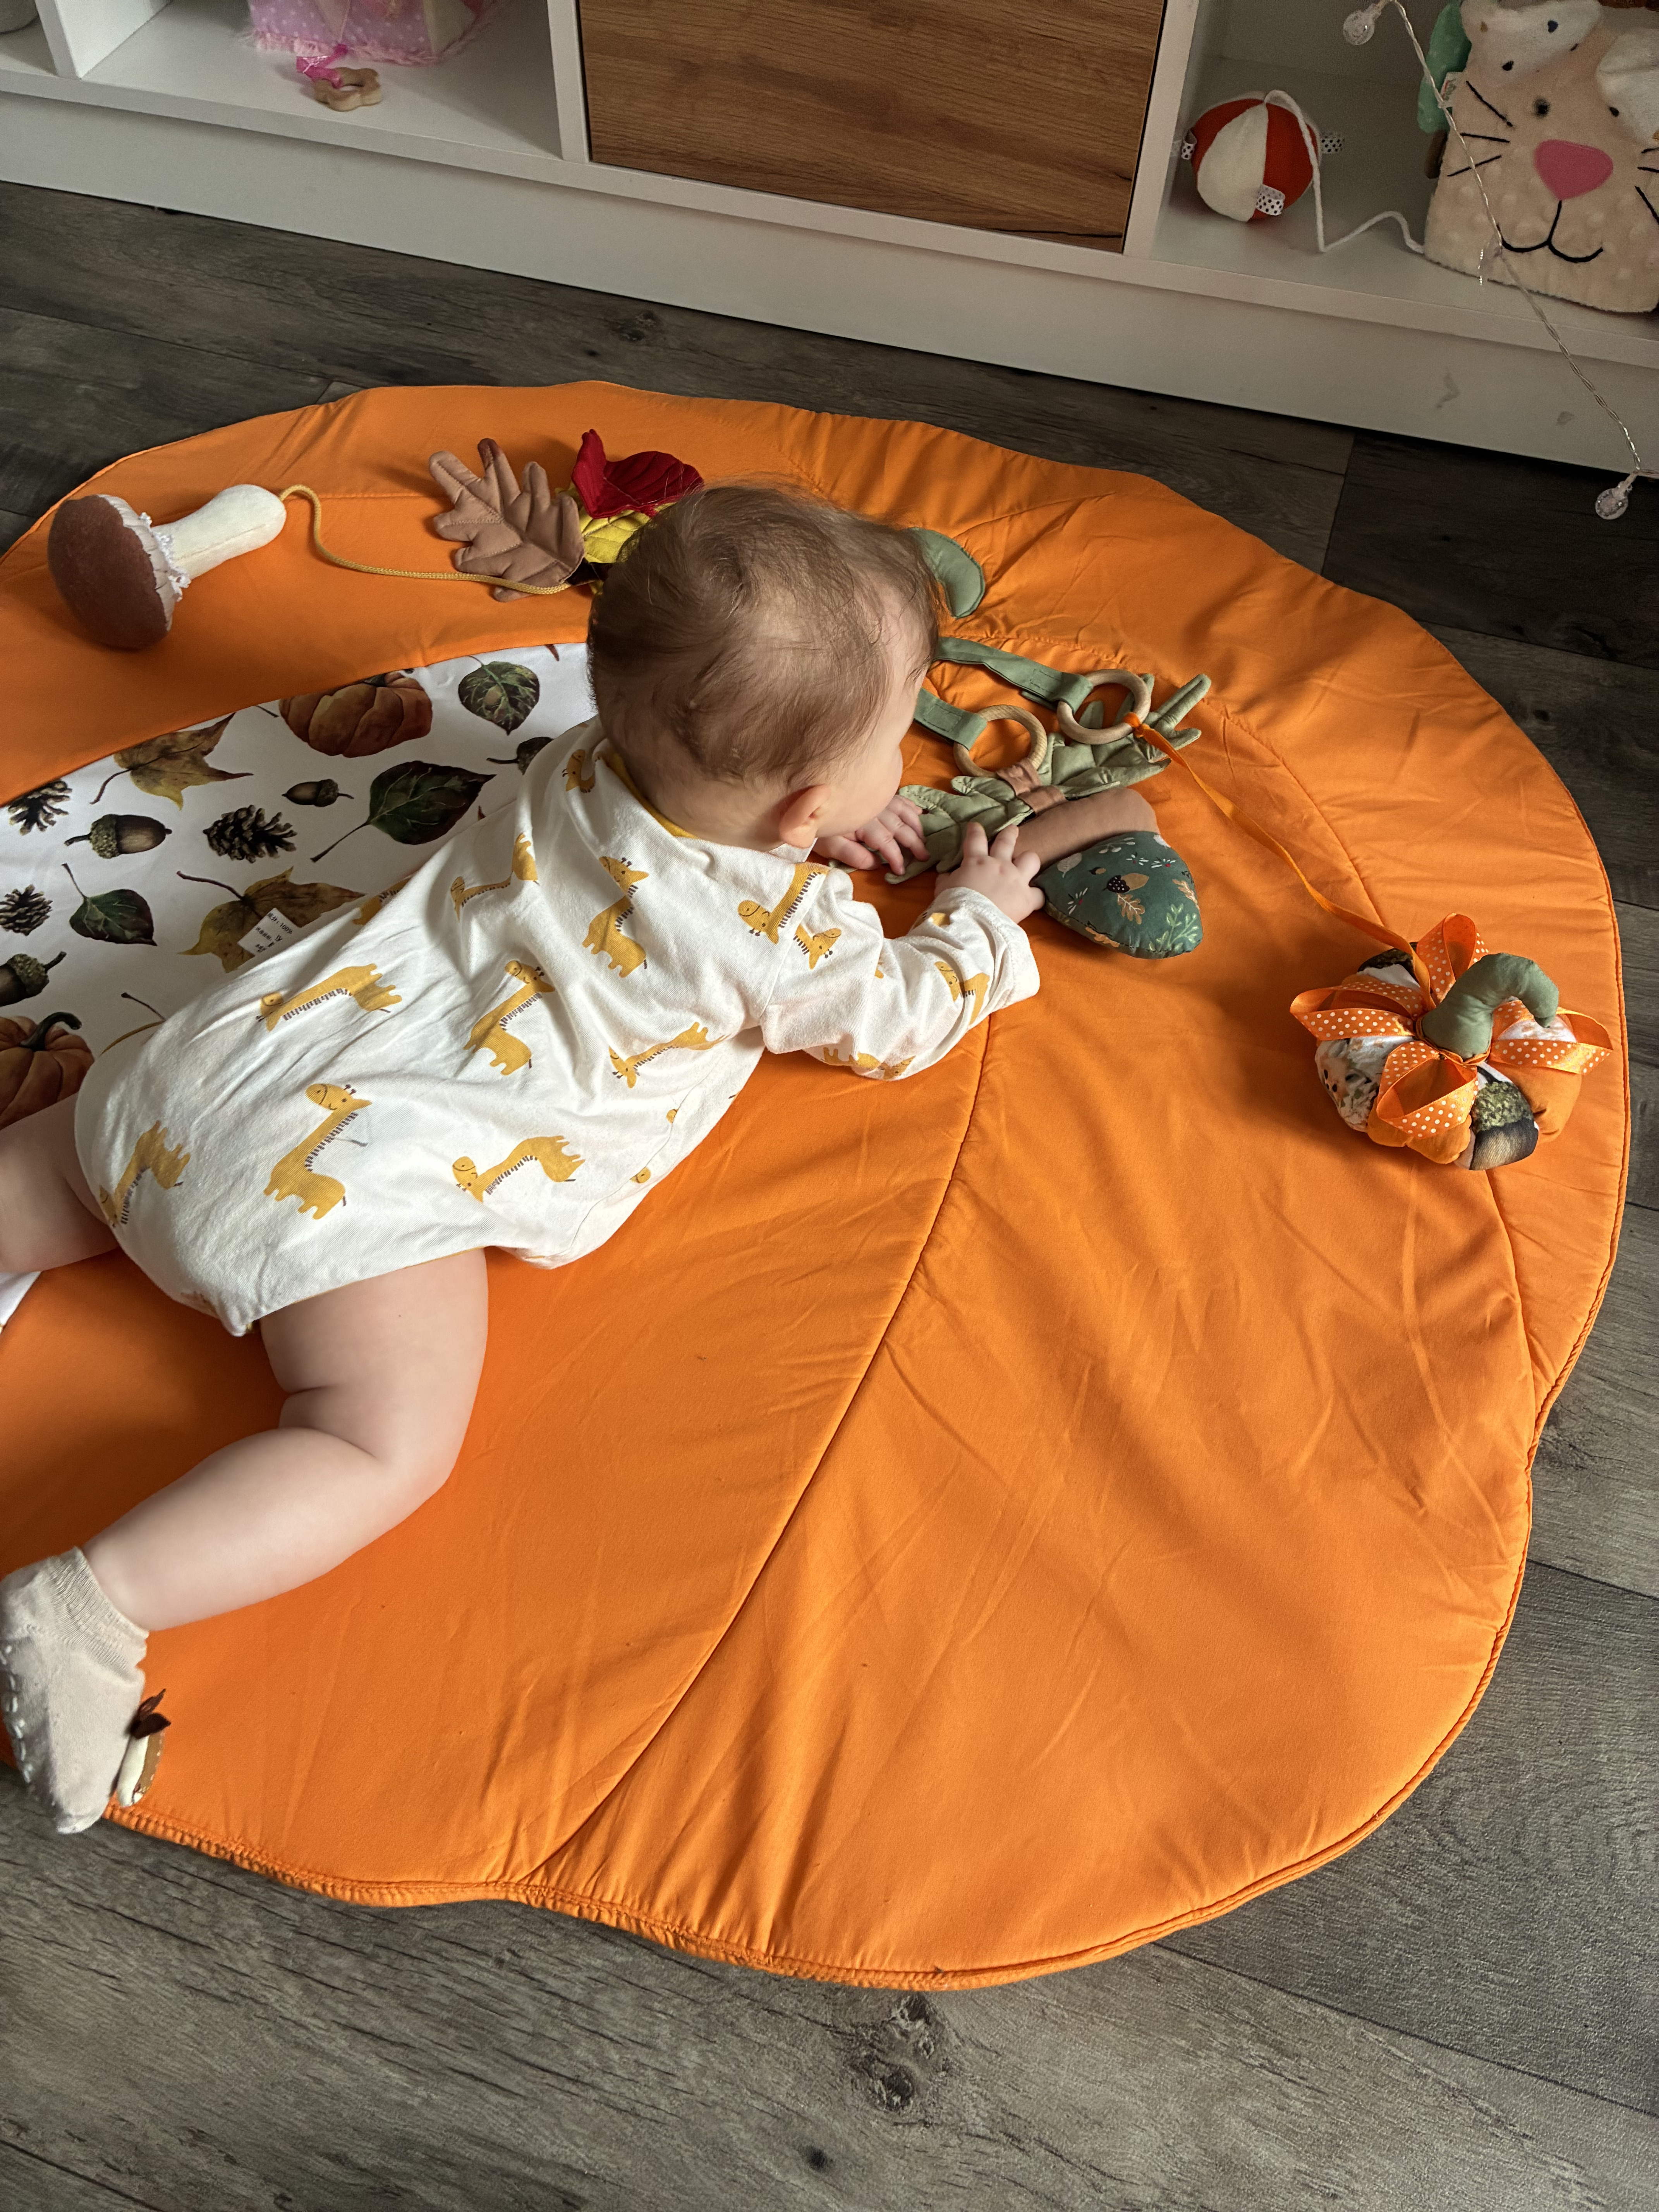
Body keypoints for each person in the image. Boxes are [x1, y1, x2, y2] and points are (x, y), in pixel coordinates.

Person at [0, 482, 1054, 1836]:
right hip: (357, 1188)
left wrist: (798, 828)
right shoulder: (785, 938)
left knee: (45, 1183)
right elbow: (893, 1024)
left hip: (194, 1074)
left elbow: (698, 821)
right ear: (803, 813)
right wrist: (972, 919)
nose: (902, 765)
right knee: (378, 1443)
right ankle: (96, 1605)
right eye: (895, 740)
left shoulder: (576, 761)